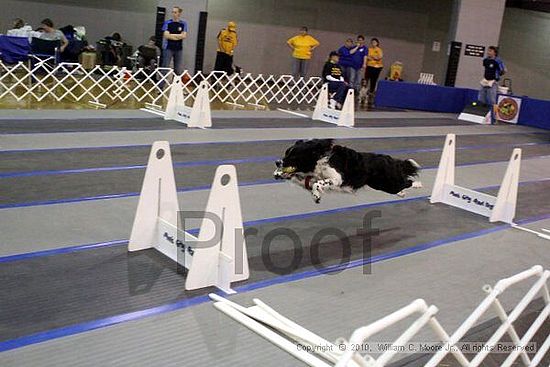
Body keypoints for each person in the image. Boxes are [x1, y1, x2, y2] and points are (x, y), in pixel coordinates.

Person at [161, 6, 188, 75]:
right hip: (168, 48)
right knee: (165, 67)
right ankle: (161, 85)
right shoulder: (167, 23)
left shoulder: (183, 23)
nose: (173, 14)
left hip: (179, 48)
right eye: (172, 12)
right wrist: (178, 36)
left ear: (179, 13)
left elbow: (184, 35)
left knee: (178, 69)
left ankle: (176, 84)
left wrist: (172, 35)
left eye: (175, 12)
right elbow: (166, 35)